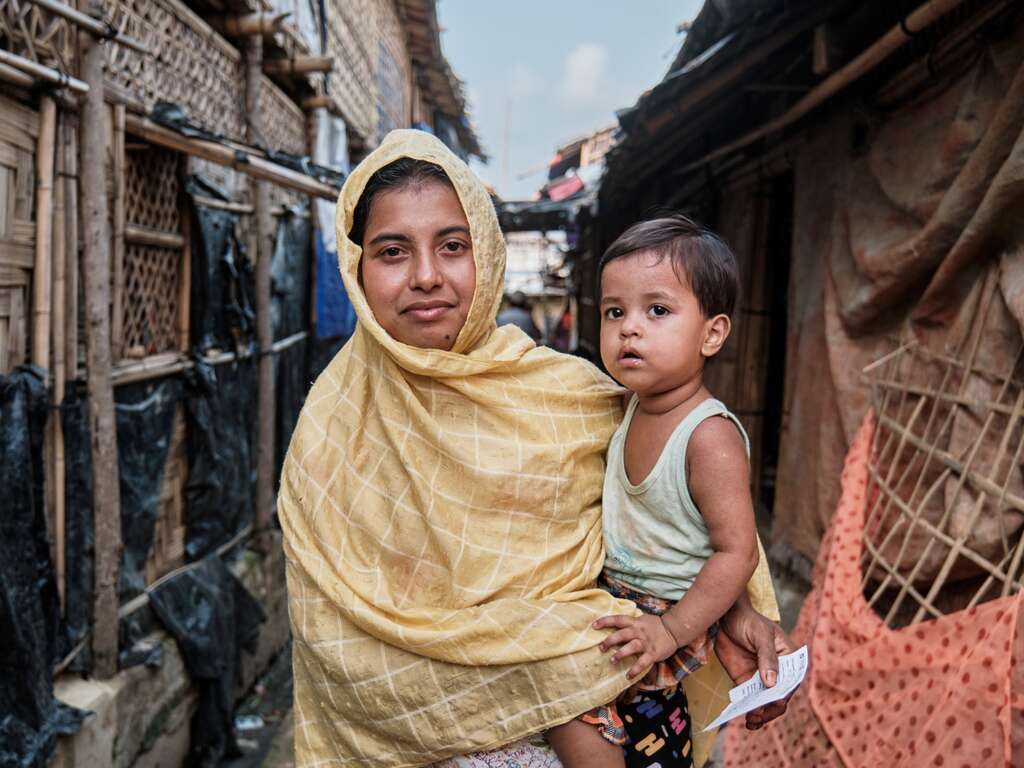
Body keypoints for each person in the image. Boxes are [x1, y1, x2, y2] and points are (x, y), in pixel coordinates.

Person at [278, 130, 789, 768]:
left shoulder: (573, 399)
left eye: (453, 246)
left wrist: (732, 612)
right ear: (356, 269)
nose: (427, 276)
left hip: (605, 711)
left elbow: (682, 522)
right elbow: (331, 634)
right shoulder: (332, 426)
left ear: (487, 254)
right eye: (392, 251)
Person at [548, 216, 763, 767]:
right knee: (602, 726)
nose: (629, 329)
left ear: (712, 334)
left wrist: (669, 629)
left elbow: (735, 551)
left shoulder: (708, 437)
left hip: (667, 615)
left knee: (605, 725)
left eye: (657, 311)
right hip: (616, 602)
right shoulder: (629, 408)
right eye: (615, 312)